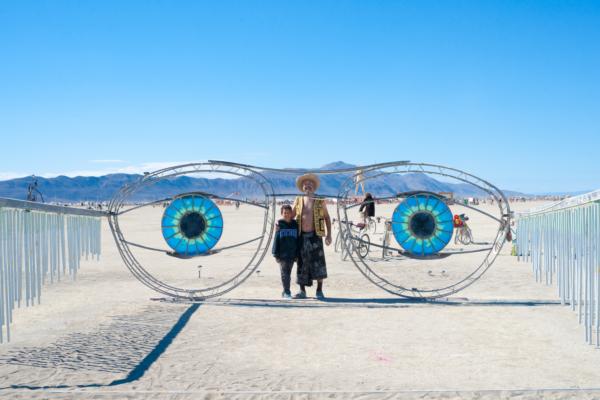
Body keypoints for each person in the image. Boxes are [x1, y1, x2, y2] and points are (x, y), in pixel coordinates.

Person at [291, 173, 332, 299]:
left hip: (316, 235)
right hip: (301, 236)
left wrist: (329, 235)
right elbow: (291, 216)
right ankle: (302, 291)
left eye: (310, 183)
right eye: (305, 184)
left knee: (318, 262)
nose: (307, 185)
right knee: (301, 263)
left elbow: (326, 217)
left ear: (314, 186)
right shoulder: (298, 199)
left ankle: (319, 290)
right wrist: (280, 224)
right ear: (302, 187)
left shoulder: (319, 199)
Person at [271, 204, 299, 299]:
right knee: (284, 273)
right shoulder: (279, 224)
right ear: (281, 213)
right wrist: (275, 253)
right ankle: (287, 292)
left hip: (292, 253)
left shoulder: (295, 224)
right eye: (284, 213)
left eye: (288, 213)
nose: (286, 214)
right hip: (282, 254)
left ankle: (284, 291)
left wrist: (297, 254)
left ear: (291, 213)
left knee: (288, 273)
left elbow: (298, 239)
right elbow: (276, 238)